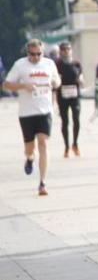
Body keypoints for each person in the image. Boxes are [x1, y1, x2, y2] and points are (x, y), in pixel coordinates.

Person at [4, 39, 61, 196]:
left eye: (39, 54)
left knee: (43, 143)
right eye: (32, 54)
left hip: (45, 110)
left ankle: (42, 183)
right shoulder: (20, 65)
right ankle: (29, 159)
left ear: (43, 52)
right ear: (27, 53)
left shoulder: (49, 64)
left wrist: (55, 82)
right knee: (30, 148)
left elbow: (57, 80)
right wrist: (23, 86)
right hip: (27, 113)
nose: (36, 57)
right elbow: (6, 84)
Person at [55, 41, 84, 157]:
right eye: (64, 49)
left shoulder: (76, 64)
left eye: (68, 49)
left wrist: (81, 80)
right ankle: (66, 147)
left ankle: (75, 144)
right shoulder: (57, 65)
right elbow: (54, 80)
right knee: (65, 122)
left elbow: (81, 77)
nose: (66, 51)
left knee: (76, 119)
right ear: (60, 51)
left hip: (75, 95)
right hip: (62, 96)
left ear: (71, 50)